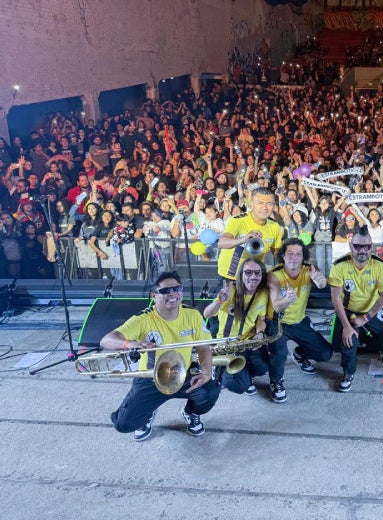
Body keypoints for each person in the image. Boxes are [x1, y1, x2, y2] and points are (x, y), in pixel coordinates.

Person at [99, 271, 221, 441]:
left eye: (176, 289)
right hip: (150, 378)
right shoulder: (143, 319)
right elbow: (106, 340)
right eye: (165, 291)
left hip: (184, 372)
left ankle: (190, 412)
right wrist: (130, 344)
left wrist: (207, 372)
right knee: (123, 425)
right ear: (153, 295)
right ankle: (148, 412)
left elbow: (204, 347)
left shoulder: (192, 315)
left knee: (210, 391)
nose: (172, 294)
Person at [328, 226, 383, 392]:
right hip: (348, 310)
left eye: (366, 246)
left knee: (381, 332)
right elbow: (335, 298)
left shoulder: (379, 265)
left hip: (371, 308)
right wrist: (347, 326)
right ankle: (348, 372)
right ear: (351, 246)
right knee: (347, 341)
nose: (362, 250)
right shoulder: (339, 266)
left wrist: (365, 318)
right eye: (358, 246)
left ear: (371, 246)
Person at [265, 238, 332, 400]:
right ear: (283, 256)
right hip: (277, 322)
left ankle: (300, 354)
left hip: (299, 321)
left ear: (303, 257)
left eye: (298, 254)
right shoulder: (274, 275)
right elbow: (276, 307)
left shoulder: (309, 269)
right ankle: (276, 381)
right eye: (290, 254)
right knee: (279, 354)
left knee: (325, 353)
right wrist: (288, 299)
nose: (294, 257)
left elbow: (321, 283)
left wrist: (321, 281)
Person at [203, 258, 271, 395]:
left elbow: (261, 318)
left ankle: (244, 376)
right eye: (248, 272)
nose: (253, 277)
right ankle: (220, 373)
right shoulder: (230, 290)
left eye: (258, 273)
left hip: (246, 342)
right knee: (237, 386)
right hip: (226, 344)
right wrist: (219, 301)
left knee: (262, 367)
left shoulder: (263, 293)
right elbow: (207, 314)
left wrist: (260, 333)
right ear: (241, 275)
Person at [217, 187, 283, 281]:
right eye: (260, 203)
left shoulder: (275, 226)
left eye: (269, 204)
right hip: (231, 277)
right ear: (251, 203)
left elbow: (277, 254)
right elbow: (221, 243)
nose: (265, 207)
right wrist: (243, 240)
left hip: (255, 277)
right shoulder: (238, 220)